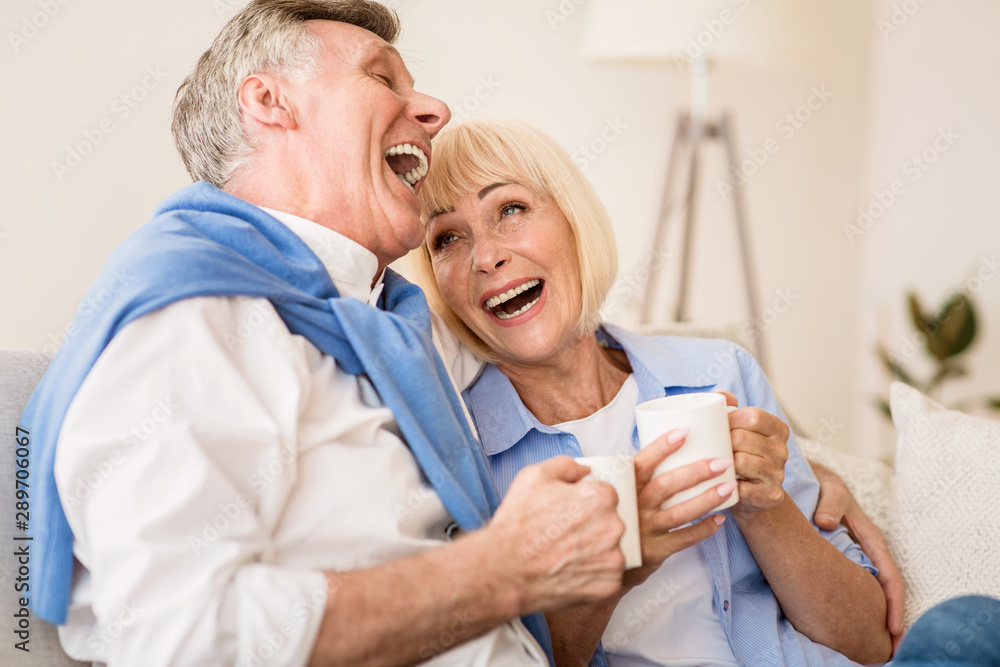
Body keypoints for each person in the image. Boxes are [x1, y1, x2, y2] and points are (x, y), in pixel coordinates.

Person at [22, 3, 634, 665]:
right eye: (382, 79)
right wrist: (501, 568)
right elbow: (181, 637)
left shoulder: (388, 325)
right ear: (268, 100)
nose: (433, 109)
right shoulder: (195, 315)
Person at [410, 117, 896, 666]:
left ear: (573, 219)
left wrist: (767, 507)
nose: (485, 256)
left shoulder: (720, 372)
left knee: (972, 624)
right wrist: (612, 565)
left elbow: (870, 643)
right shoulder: (460, 450)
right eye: (447, 237)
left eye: (511, 209)